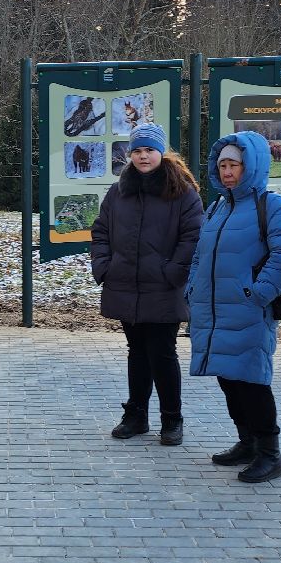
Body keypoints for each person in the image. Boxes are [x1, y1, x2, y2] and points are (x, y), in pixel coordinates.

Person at [186, 130, 281, 483]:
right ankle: (247, 442)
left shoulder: (272, 205)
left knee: (252, 381)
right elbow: (199, 255)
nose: (226, 172)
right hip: (214, 310)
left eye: (233, 164)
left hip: (248, 310)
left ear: (250, 165)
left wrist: (258, 293)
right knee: (228, 379)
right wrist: (192, 288)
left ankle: (270, 453)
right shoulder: (219, 206)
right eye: (222, 165)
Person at [89, 123, 204, 445]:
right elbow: (100, 231)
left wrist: (172, 272)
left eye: (149, 150)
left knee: (163, 353)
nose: (143, 156)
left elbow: (193, 238)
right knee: (137, 352)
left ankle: (172, 420)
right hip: (125, 285)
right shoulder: (119, 191)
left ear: (161, 152)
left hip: (163, 288)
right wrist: (104, 266)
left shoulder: (183, 192)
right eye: (137, 151)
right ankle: (136, 415)